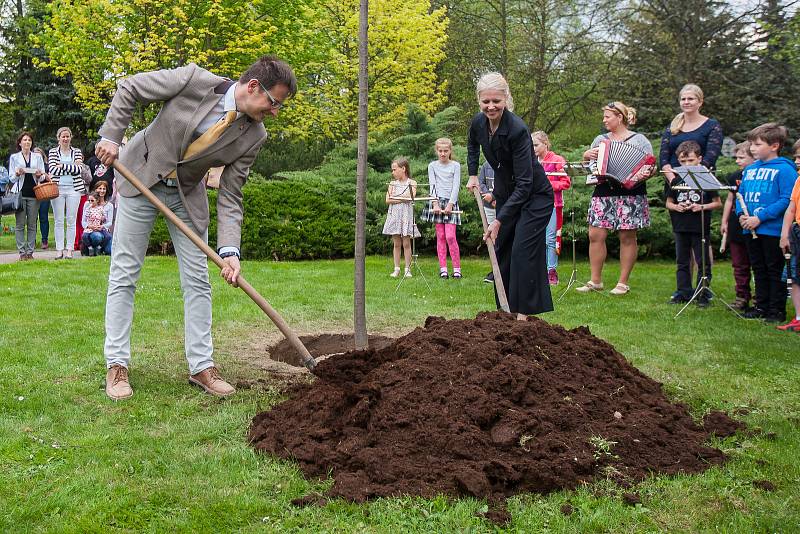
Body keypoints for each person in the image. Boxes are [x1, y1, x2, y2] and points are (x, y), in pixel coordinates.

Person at [95, 56, 297, 400]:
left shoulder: (254, 135)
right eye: (273, 102)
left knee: (198, 281)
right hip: (140, 177)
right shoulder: (193, 80)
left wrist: (230, 251)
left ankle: (202, 367)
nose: (275, 111)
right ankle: (117, 364)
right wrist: (112, 137)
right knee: (125, 273)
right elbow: (130, 88)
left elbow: (231, 195)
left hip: (187, 195)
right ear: (252, 87)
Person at [466, 72, 554, 318]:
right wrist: (473, 174)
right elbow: (472, 144)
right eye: (486, 102)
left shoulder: (517, 129)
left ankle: (523, 316)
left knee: (522, 252)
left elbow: (525, 184)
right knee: (502, 249)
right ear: (479, 101)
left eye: (496, 101)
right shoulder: (478, 123)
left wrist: (499, 219)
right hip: (507, 191)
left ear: (506, 99)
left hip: (535, 196)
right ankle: (504, 313)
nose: (491, 106)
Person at [577, 102, 652, 295]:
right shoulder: (600, 140)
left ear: (620, 117)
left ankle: (623, 282)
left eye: (607, 116)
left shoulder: (640, 140)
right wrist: (586, 156)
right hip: (604, 190)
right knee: (595, 235)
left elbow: (649, 165)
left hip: (631, 192)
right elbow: (590, 168)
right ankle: (595, 281)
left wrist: (645, 173)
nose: (604, 120)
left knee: (627, 236)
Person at [736, 123, 796, 323]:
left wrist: (760, 218)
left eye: (757, 144)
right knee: (758, 268)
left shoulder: (785, 170)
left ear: (774, 145)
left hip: (771, 229)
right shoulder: (750, 169)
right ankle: (760, 305)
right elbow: (741, 195)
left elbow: (787, 200)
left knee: (774, 269)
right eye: (751, 144)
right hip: (750, 228)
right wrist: (741, 216)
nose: (752, 148)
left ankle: (776, 310)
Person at [665, 141, 721, 306]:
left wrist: (701, 206)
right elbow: (668, 202)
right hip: (680, 226)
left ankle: (703, 293)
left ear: (700, 159)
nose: (687, 165)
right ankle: (683, 292)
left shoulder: (706, 179)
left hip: (700, 226)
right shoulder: (676, 181)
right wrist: (677, 206)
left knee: (702, 260)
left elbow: (718, 203)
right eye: (683, 162)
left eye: (691, 160)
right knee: (682, 261)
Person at [660, 84, 724, 184]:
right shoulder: (672, 126)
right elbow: (663, 158)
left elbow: (710, 157)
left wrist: (690, 180)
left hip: (701, 181)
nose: (686, 102)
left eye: (690, 99)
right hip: (674, 181)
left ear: (700, 102)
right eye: (683, 99)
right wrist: (674, 180)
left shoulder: (712, 126)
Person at [720, 141, 755, 311]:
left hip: (755, 222)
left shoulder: (756, 175)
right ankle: (742, 295)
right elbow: (729, 199)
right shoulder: (735, 176)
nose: (737, 160)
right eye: (737, 157)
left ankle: (760, 297)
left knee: (757, 262)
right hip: (736, 222)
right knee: (739, 263)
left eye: (742, 157)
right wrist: (724, 221)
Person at [532, 131, 569, 285]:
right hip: (534, 205)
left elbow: (566, 182)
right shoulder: (531, 161)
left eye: (536, 145)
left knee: (550, 239)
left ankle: (551, 271)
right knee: (536, 238)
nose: (532, 148)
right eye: (531, 145)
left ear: (545, 144)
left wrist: (547, 185)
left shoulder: (557, 160)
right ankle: (538, 270)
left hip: (553, 205)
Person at [422, 138, 462, 279]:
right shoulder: (432, 165)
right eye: (440, 151)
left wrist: (451, 204)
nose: (443, 154)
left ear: (450, 151)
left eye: (446, 151)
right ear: (436, 151)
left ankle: (457, 269)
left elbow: (456, 185)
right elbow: (432, 184)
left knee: (451, 236)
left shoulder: (456, 165)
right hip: (437, 202)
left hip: (451, 202)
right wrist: (435, 203)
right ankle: (443, 268)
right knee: (441, 236)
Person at [8, 132, 47, 260]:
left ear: (31, 143)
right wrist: (18, 173)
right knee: (20, 224)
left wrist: (39, 175)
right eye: (24, 140)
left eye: (29, 140)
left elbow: (42, 175)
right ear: (20, 143)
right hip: (19, 194)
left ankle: (30, 252)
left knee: (32, 224)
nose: (27, 142)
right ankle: (21, 252)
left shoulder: (37, 157)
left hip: (34, 194)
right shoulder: (14, 157)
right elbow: (11, 178)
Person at [48, 127, 85, 259]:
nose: (65, 139)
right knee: (58, 220)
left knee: (71, 220)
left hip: (74, 189)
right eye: (62, 136)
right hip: (57, 189)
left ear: (70, 137)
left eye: (67, 136)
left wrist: (62, 165)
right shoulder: (53, 152)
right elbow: (52, 169)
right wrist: (71, 166)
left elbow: (79, 170)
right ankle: (59, 250)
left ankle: (69, 250)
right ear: (58, 138)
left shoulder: (77, 152)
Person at [777, 140, 800, 331]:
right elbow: (791, 209)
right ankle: (799, 318)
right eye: (797, 156)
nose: (797, 161)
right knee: (795, 276)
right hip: (797, 231)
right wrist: (785, 234)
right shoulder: (799, 180)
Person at [382, 157, 418, 278]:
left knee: (406, 243)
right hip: (394, 215)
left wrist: (395, 197)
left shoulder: (412, 183)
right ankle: (396, 268)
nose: (392, 172)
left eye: (394, 169)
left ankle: (408, 269)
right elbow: (387, 200)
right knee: (396, 243)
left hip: (406, 215)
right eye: (392, 170)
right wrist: (400, 198)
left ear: (403, 169)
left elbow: (409, 197)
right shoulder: (392, 184)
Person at [80, 182, 114, 256]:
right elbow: (83, 221)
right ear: (96, 190)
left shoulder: (109, 206)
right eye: (100, 188)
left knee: (110, 251)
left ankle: (99, 248)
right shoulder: (88, 204)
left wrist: (102, 226)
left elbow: (109, 223)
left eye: (104, 189)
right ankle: (91, 248)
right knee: (97, 236)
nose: (102, 191)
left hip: (102, 230)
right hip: (91, 230)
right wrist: (90, 226)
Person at [477, 161, 497, 283]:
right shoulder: (486, 165)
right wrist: (489, 197)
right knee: (492, 237)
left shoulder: (506, 162)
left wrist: (495, 197)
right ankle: (495, 269)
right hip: (488, 206)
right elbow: (481, 183)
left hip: (503, 205)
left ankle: (503, 267)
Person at [33, 147, 51, 250]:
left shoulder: (46, 166)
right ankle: (33, 240)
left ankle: (45, 240)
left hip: (44, 194)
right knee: (32, 218)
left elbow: (50, 179)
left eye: (39, 154)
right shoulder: (30, 165)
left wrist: (44, 174)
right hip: (33, 194)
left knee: (43, 217)